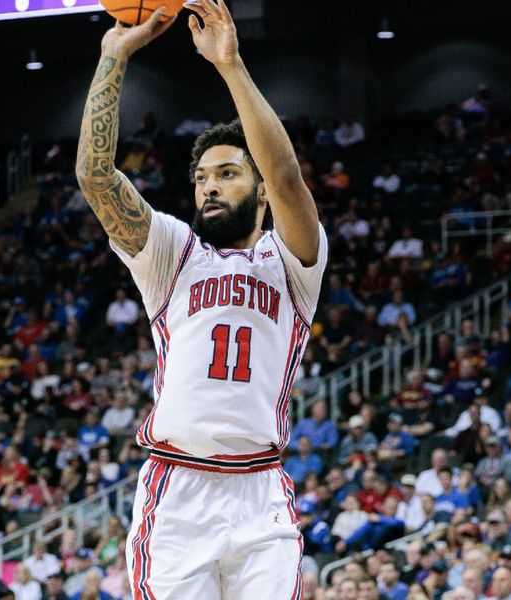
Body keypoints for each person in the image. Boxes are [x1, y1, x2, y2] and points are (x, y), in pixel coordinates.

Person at [75, 1, 326, 597]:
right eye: (201, 178)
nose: (209, 185)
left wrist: (230, 66)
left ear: (259, 190)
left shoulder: (291, 260)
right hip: (177, 493)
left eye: (228, 173)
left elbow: (287, 176)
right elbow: (95, 175)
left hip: (259, 490)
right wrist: (114, 55)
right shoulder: (173, 252)